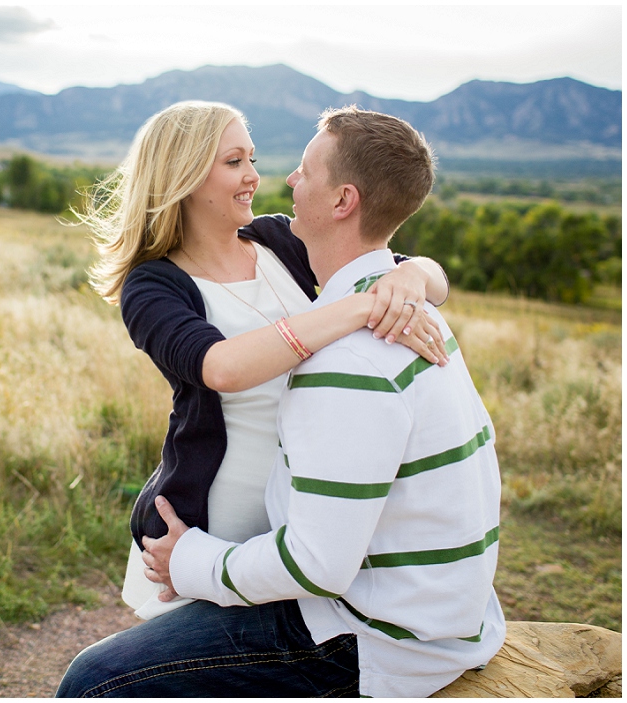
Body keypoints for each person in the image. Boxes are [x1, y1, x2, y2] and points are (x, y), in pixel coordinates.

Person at [59, 107, 505, 698]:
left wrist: (415, 276)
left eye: (253, 159)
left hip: (310, 499)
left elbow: (377, 253)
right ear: (185, 176)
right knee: (182, 665)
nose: (256, 176)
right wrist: (356, 307)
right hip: (225, 511)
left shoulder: (276, 240)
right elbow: (222, 367)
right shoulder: (154, 285)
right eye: (234, 161)